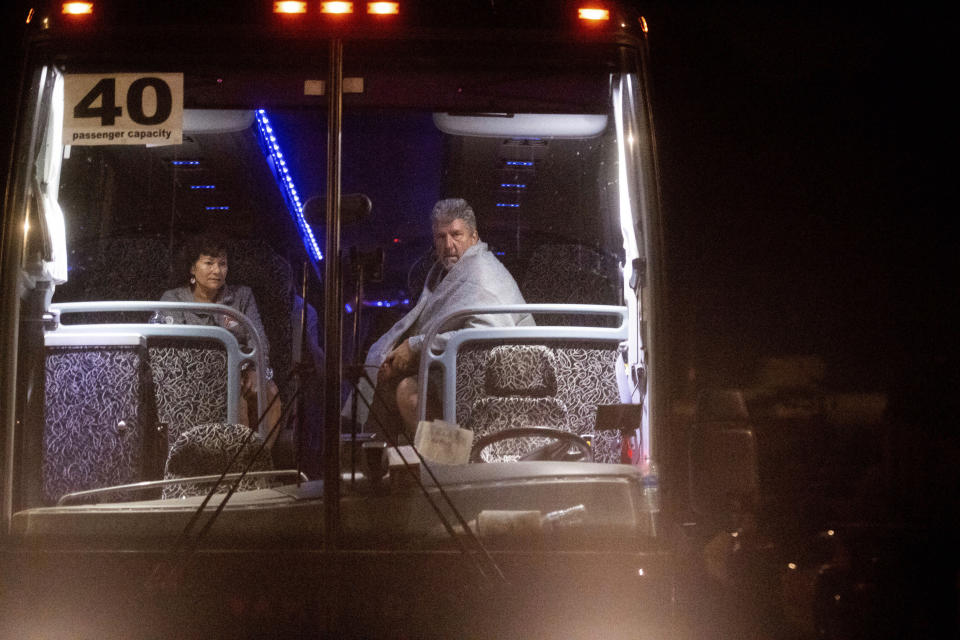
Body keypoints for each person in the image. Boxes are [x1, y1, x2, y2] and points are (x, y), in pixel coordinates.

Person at [351, 198, 533, 439]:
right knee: (391, 383)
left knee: (409, 393)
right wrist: (402, 354)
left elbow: (484, 336)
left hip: (502, 377)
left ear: (474, 237)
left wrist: (415, 347)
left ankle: (446, 464)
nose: (448, 245)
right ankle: (398, 467)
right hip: (465, 370)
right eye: (441, 236)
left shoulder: (482, 272)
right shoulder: (443, 274)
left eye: (456, 234)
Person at [160, 234, 282, 443]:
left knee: (270, 392)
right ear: (192, 268)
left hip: (238, 370)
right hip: (190, 375)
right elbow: (168, 347)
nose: (217, 271)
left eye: (222, 264)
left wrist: (255, 370)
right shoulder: (174, 299)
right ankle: (234, 465)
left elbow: (258, 338)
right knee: (233, 397)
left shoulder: (242, 296)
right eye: (209, 263)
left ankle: (259, 463)